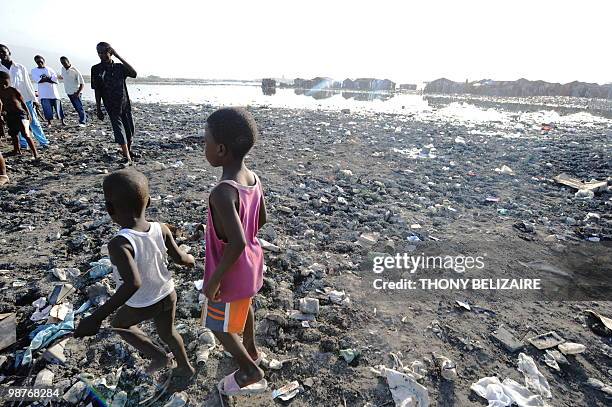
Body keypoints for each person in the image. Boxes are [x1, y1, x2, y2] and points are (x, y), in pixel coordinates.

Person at [74, 169, 196, 383]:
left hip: (143, 302)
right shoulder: (161, 228)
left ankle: (158, 356)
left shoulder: (120, 243)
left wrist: (95, 318)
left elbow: (133, 283)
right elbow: (180, 258)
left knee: (120, 323)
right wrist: (191, 260)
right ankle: (185, 367)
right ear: (148, 202)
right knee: (168, 332)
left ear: (109, 209)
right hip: (167, 293)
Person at [202, 107, 268, 396]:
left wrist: (214, 280)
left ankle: (249, 369)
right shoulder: (252, 179)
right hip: (253, 264)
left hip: (231, 270)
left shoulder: (222, 192)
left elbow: (236, 242)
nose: (204, 147)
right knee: (246, 304)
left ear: (220, 149)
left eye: (205, 142)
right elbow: (261, 219)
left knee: (217, 325)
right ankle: (252, 349)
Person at [91, 42, 137, 165]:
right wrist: (98, 108)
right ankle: (127, 157)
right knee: (119, 131)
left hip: (124, 103)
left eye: (103, 52)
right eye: (99, 53)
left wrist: (118, 56)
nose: (101, 55)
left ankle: (129, 151)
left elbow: (134, 74)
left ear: (110, 52)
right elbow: (97, 90)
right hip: (111, 105)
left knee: (129, 131)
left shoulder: (119, 67)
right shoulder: (96, 69)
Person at [0, 44, 50, 149]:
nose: (2, 54)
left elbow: (28, 84)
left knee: (33, 122)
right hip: (9, 102)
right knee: (16, 123)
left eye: (3, 52)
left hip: (25, 99)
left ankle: (43, 142)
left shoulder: (20, 67)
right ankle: (23, 144)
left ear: (9, 52)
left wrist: (34, 100)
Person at [0, 71, 39, 159]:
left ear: (8, 81)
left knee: (26, 134)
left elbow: (23, 102)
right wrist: (2, 115)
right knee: (13, 134)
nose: (3, 85)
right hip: (9, 115)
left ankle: (35, 152)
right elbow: (1, 105)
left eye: (5, 83)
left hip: (21, 114)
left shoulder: (13, 90)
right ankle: (16, 150)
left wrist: (28, 114)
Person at [31, 55, 65, 126]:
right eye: (37, 62)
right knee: (47, 109)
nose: (39, 63)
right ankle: (49, 123)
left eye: (40, 61)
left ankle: (62, 121)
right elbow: (38, 80)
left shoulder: (50, 69)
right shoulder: (34, 70)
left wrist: (47, 79)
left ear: (43, 60)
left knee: (58, 108)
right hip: (44, 94)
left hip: (54, 93)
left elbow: (55, 79)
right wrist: (49, 79)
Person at [59, 56, 87, 124]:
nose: (64, 64)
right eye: (62, 63)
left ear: (68, 62)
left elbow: (82, 83)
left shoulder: (75, 71)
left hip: (76, 92)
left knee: (79, 107)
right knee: (76, 108)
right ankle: (85, 118)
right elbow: (63, 77)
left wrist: (77, 93)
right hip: (68, 92)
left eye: (65, 63)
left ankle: (82, 122)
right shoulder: (63, 69)